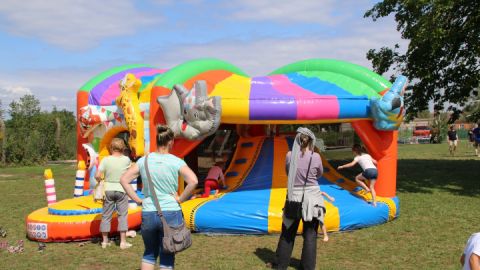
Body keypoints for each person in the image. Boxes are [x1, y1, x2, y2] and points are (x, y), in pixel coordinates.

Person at [120, 125, 198, 270]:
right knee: (167, 254)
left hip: (148, 211)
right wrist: (180, 199)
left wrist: (138, 200)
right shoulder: (176, 161)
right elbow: (193, 181)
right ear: (171, 142)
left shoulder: (144, 160)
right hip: (171, 212)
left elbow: (124, 179)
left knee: (149, 253)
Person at [273, 127, 324, 270]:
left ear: (297, 139)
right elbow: (319, 174)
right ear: (311, 140)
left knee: (288, 233)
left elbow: (288, 172)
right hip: (312, 199)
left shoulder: (290, 155)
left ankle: (281, 265)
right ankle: (308, 267)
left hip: (293, 197)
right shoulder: (316, 156)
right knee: (310, 235)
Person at [95, 138, 132, 249]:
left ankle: (105, 241)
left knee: (106, 216)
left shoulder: (106, 160)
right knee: (122, 216)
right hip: (122, 189)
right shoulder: (126, 160)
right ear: (123, 148)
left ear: (111, 148)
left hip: (108, 190)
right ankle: (123, 242)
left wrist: (100, 181)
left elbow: (97, 175)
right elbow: (131, 173)